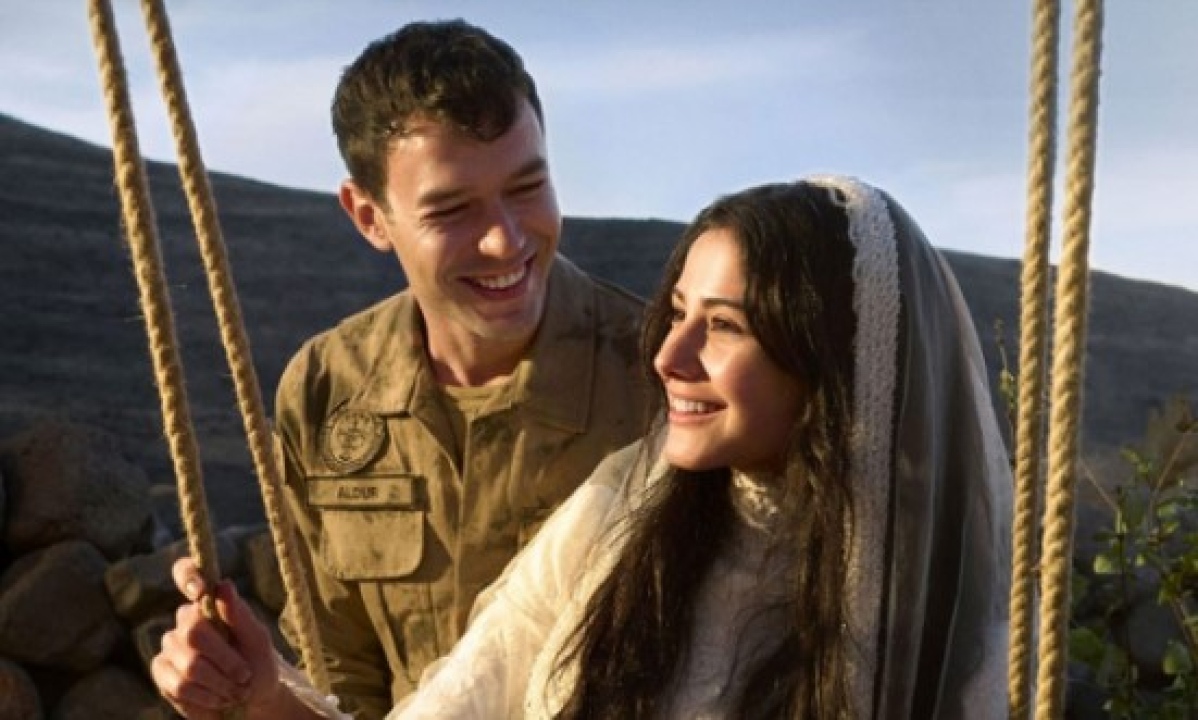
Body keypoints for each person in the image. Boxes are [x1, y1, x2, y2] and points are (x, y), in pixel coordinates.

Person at [150, 19, 648, 720]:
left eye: (527, 186)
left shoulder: (664, 377)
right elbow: (339, 684)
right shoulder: (326, 389)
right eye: (452, 209)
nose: (505, 239)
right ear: (369, 216)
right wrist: (256, 693)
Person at [395, 174, 1014, 718]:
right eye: (677, 313)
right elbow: (472, 691)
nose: (669, 356)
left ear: (825, 360)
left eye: (722, 326)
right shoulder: (617, 509)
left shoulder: (948, 613)